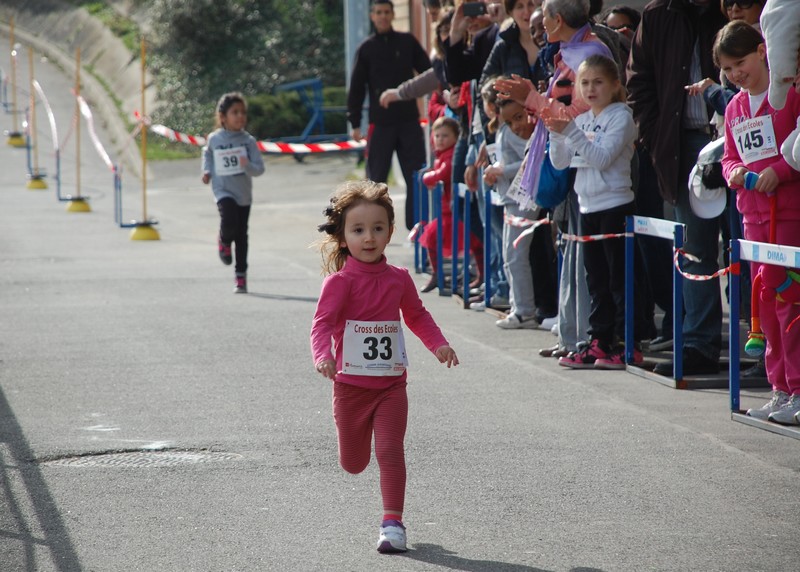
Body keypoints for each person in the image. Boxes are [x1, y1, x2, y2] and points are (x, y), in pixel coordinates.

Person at [310, 180, 459, 553]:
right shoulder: (339, 282)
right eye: (358, 230)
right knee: (354, 464)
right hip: (350, 388)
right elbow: (322, 324)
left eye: (378, 228)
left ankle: (392, 523)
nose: (369, 237)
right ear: (343, 237)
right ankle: (361, 466)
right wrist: (323, 355)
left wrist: (438, 344)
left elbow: (417, 315)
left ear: (391, 232)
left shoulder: (399, 279)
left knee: (391, 451)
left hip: (392, 385)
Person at [627, 0, 728, 376]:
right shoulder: (659, 14)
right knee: (695, 249)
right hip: (685, 144)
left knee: (747, 245)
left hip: (736, 137)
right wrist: (655, 139)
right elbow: (639, 82)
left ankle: (760, 340)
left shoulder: (730, 9)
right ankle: (698, 343)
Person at [717, 21, 800, 423]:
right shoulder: (734, 107)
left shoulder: (789, 96)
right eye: (728, 69)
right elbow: (728, 155)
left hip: (787, 215)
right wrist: (732, 171)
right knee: (763, 306)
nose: (735, 74)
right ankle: (779, 388)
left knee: (790, 302)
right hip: (751, 216)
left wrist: (780, 172)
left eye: (740, 62)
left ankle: (798, 388)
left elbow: (796, 152)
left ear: (763, 50)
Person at [543, 54, 642, 368]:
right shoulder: (582, 120)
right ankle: (600, 340)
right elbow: (561, 162)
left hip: (615, 205)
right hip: (587, 206)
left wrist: (570, 131)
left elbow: (602, 158)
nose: (591, 88)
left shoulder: (621, 117)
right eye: (584, 83)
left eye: (598, 82)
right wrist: (556, 133)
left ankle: (628, 343)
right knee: (595, 279)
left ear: (614, 85)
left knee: (619, 279)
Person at [347, 0, 432, 230]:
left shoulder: (407, 42)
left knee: (416, 176)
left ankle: (417, 227)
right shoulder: (366, 48)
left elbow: (430, 72)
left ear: (393, 14)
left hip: (408, 121)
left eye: (387, 12)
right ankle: (374, 227)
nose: (383, 16)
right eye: (378, 12)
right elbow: (356, 88)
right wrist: (355, 122)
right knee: (375, 181)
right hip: (381, 124)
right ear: (372, 16)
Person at [487, 94, 545, 328]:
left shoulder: (512, 132)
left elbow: (532, 158)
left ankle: (524, 310)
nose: (515, 126)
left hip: (523, 199)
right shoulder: (504, 129)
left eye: (518, 118)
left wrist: (500, 172)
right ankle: (519, 307)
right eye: (510, 121)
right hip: (511, 198)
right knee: (510, 257)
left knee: (515, 257)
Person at [201, 92, 265, 294]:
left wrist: (246, 165)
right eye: (235, 112)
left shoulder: (248, 141)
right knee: (228, 219)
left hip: (243, 194)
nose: (240, 117)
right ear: (222, 117)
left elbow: (259, 169)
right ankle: (224, 240)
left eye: (243, 112)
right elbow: (207, 155)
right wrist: (206, 171)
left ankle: (241, 276)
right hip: (223, 189)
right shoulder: (215, 139)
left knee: (242, 235)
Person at [419, 117, 485, 292]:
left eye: (445, 135)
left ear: (456, 137)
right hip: (446, 211)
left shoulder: (450, 155)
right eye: (437, 135)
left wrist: (427, 177)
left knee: (475, 243)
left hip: (452, 211)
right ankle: (437, 274)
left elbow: (443, 173)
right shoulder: (441, 155)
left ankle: (482, 275)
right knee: (431, 239)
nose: (440, 139)